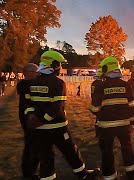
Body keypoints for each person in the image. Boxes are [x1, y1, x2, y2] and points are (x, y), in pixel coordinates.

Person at [24, 50, 100, 180]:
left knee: (46, 156)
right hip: (58, 127)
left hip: (39, 129)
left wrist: (32, 117)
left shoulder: (31, 83)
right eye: (60, 64)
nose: (61, 68)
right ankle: (83, 175)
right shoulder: (58, 83)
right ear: (53, 65)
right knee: (71, 151)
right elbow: (56, 107)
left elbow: (27, 104)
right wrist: (44, 120)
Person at [90, 57, 134, 180]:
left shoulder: (100, 86)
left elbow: (95, 109)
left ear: (106, 69)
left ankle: (109, 176)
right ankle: (132, 173)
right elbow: (132, 105)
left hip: (106, 126)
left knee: (107, 151)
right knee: (127, 147)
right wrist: (131, 122)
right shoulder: (126, 85)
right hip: (124, 125)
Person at [17, 63, 40, 179]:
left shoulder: (25, 84)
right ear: (29, 73)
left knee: (33, 145)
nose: (39, 73)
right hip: (29, 119)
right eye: (36, 71)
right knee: (32, 145)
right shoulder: (26, 85)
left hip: (29, 118)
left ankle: (31, 171)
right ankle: (30, 173)